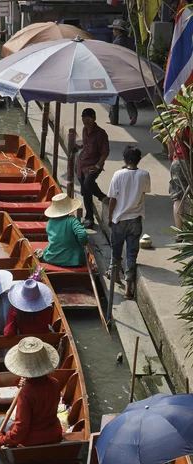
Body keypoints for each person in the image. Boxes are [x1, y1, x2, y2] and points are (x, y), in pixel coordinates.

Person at [0, 336, 62, 448]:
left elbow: (21, 429)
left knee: (0, 420)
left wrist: (1, 440)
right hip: (54, 433)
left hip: (31, 439)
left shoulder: (25, 393)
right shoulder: (55, 383)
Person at [107, 146, 150, 300]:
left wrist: (110, 217)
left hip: (119, 219)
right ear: (138, 160)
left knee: (116, 251)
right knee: (131, 254)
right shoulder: (144, 175)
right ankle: (128, 288)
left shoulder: (118, 174)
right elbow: (143, 191)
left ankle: (115, 276)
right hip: (135, 219)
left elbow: (113, 199)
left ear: (125, 160)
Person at [76, 107, 110, 229]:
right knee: (86, 191)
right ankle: (89, 217)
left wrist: (97, 166)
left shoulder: (101, 133)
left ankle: (102, 197)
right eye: (84, 118)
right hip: (82, 163)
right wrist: (79, 147)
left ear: (94, 118)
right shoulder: (84, 130)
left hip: (94, 164)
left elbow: (105, 152)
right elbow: (85, 145)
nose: (86, 121)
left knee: (89, 183)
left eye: (88, 118)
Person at [41, 193, 88, 267]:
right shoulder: (72, 220)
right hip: (74, 261)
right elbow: (82, 235)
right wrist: (82, 244)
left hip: (52, 258)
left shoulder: (50, 222)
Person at [108, 19, 138, 126]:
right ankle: (133, 113)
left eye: (114, 29)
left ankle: (114, 120)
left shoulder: (117, 42)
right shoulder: (130, 41)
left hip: (117, 71)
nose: (113, 31)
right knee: (126, 93)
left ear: (117, 30)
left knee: (113, 96)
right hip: (129, 70)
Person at [168, 128, 190, 239]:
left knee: (178, 198)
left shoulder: (177, 123)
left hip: (179, 160)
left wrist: (171, 155)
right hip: (189, 162)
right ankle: (191, 231)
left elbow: (169, 141)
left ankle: (179, 233)